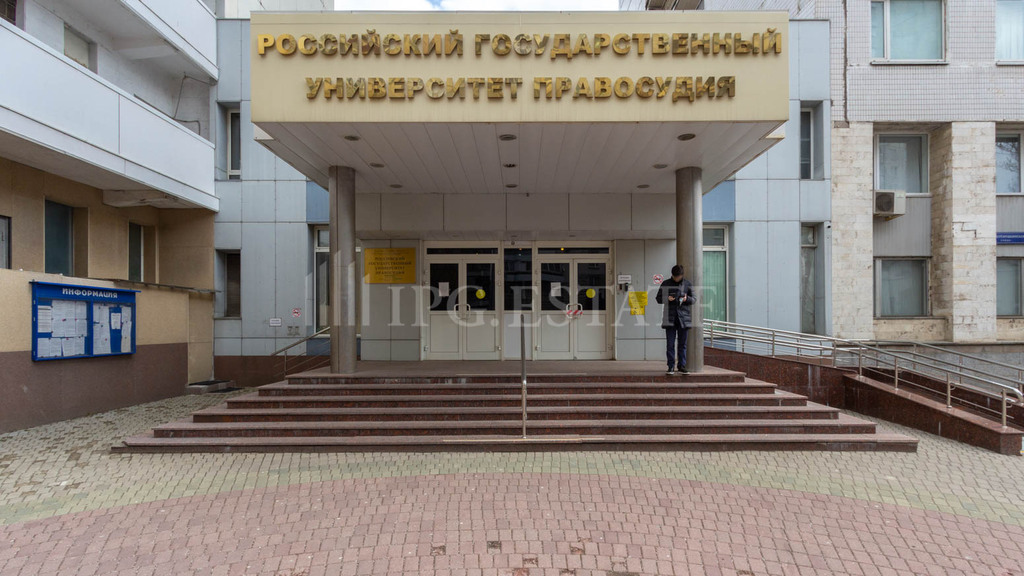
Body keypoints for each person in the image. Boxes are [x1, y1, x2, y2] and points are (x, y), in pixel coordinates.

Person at [655, 264, 695, 375]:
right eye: (675, 276)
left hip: (684, 319)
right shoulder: (666, 283)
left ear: (682, 275)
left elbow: (694, 299)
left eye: (678, 277)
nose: (676, 278)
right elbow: (658, 298)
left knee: (682, 344)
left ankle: (682, 366)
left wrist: (686, 299)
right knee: (670, 344)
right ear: (672, 275)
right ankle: (671, 366)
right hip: (670, 318)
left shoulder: (687, 284)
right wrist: (666, 298)